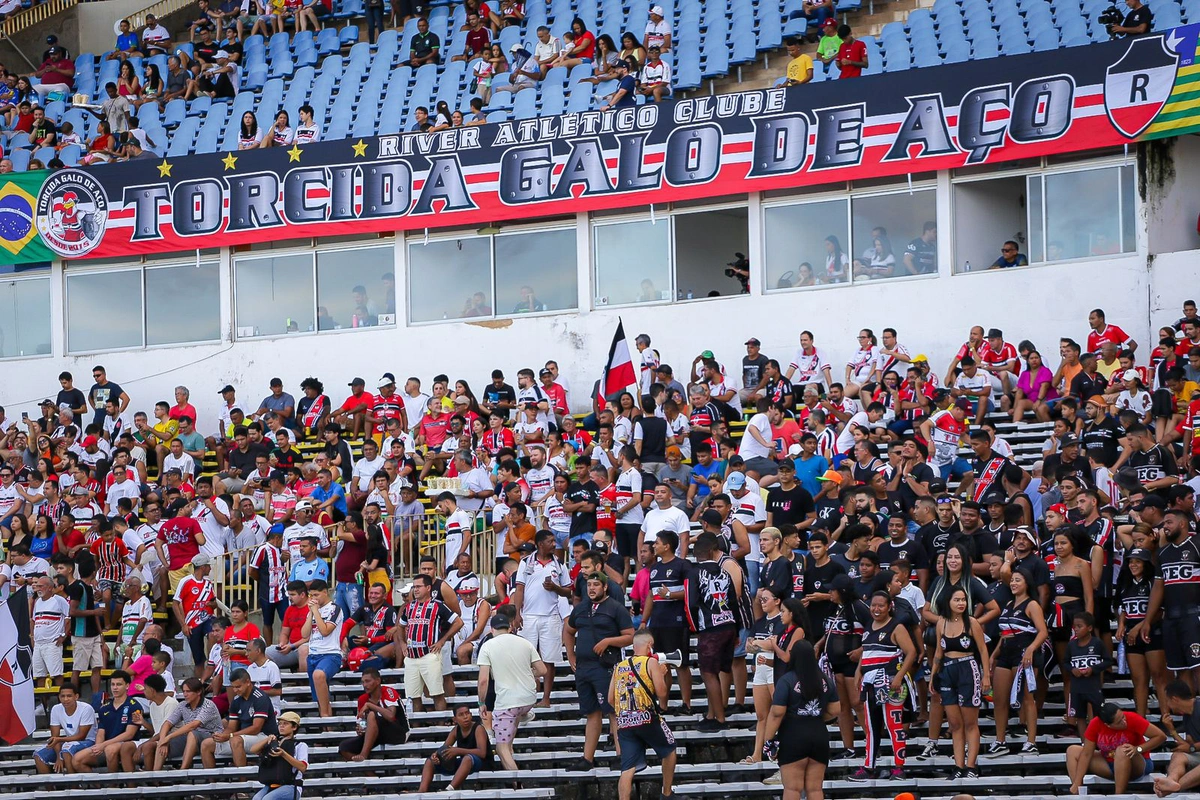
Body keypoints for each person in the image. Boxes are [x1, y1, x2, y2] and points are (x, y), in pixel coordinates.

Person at [564, 571, 635, 771]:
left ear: (605, 587)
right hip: (584, 667)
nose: (592, 588)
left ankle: (622, 755)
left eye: (596, 584)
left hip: (604, 667)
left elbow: (630, 636)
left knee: (612, 711)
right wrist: (570, 655)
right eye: (589, 585)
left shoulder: (615, 608)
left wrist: (608, 641)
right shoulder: (581, 608)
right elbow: (569, 630)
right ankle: (587, 758)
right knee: (591, 712)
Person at [851, 591, 917, 781]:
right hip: (870, 682)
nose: (876, 609)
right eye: (873, 605)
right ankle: (868, 766)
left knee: (894, 724)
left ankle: (899, 767)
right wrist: (858, 671)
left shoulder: (897, 627)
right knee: (871, 726)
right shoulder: (868, 626)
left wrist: (899, 676)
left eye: (881, 605)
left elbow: (911, 652)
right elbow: (866, 652)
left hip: (891, 682)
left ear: (889, 607)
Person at [761, 639, 839, 800]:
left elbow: (777, 712)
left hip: (793, 735)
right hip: (819, 734)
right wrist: (814, 715)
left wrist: (768, 740)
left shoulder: (787, 680)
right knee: (815, 789)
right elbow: (835, 710)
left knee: (792, 789)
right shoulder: (826, 680)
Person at [929, 586, 991, 778]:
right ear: (948, 601)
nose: (961, 603)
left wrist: (986, 676)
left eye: (964, 600)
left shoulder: (972, 622)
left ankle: (971, 766)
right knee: (955, 723)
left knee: (970, 722)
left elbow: (982, 650)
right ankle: (958, 765)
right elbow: (939, 652)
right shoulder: (941, 623)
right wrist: (933, 676)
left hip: (967, 668)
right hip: (947, 669)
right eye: (957, 599)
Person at [610, 630, 677, 800]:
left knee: (627, 769)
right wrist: (662, 675)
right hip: (647, 718)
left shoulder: (619, 667)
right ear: (649, 646)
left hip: (624, 721)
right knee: (669, 749)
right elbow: (661, 692)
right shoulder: (650, 663)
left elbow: (611, 699)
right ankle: (667, 794)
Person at [476, 614, 546, 771]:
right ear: (509, 628)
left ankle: (518, 785)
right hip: (528, 699)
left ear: (491, 629)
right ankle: (523, 716)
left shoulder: (488, 645)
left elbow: (483, 681)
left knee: (501, 749)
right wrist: (525, 674)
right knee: (509, 741)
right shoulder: (525, 643)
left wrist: (481, 703)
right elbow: (542, 670)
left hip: (507, 703)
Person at [512, 529, 570, 706]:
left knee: (549, 659)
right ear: (540, 544)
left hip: (551, 616)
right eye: (550, 541)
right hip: (529, 616)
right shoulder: (525, 562)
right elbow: (519, 589)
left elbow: (568, 591)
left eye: (554, 541)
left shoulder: (560, 564)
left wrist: (555, 588)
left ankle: (546, 698)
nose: (554, 544)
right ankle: (527, 697)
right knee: (524, 658)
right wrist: (517, 614)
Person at [1068, 702, 1167, 794]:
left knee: (1122, 750)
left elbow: (1160, 736)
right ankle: (1077, 790)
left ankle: (1118, 795)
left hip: (1138, 764)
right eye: (1119, 722)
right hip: (1109, 764)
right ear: (1108, 725)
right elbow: (1086, 754)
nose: (1124, 722)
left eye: (1123, 717)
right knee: (1072, 750)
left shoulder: (1132, 718)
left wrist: (1138, 749)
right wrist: (1077, 781)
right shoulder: (1095, 724)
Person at [398, 573, 462, 712]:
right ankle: (417, 730)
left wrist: (442, 641)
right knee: (413, 696)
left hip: (429, 654)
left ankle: (440, 728)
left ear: (428, 588)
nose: (415, 590)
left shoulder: (437, 605)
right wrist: (403, 644)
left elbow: (458, 622)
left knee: (437, 694)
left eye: (418, 587)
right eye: (414, 587)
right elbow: (400, 626)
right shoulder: (409, 607)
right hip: (412, 656)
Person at [201, 667, 279, 768]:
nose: (235, 690)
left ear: (247, 682)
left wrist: (230, 736)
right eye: (233, 687)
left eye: (238, 687)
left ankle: (243, 781)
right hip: (243, 737)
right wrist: (222, 736)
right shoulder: (236, 700)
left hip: (265, 736)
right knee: (206, 744)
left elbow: (256, 728)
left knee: (235, 740)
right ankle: (211, 781)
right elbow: (231, 727)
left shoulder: (260, 697)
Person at [338, 667, 410, 761]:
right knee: (344, 747)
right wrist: (361, 728)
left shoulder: (389, 691)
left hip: (399, 732)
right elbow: (361, 721)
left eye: (368, 681)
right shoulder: (362, 699)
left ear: (377, 681)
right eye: (363, 682)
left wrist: (371, 706)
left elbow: (391, 716)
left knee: (372, 715)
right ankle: (371, 775)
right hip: (376, 733)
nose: (364, 685)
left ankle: (364, 754)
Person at [418, 704, 491, 791]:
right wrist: (436, 755)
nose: (465, 717)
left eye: (467, 713)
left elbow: (482, 753)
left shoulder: (478, 728)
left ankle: (449, 789)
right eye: (461, 715)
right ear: (455, 719)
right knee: (429, 761)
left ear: (471, 715)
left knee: (467, 758)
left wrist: (458, 751)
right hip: (465, 764)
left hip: (482, 763)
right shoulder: (456, 730)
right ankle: (422, 790)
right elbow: (444, 748)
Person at [33, 683, 95, 774]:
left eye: (69, 696)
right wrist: (59, 757)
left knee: (67, 749)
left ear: (76, 696)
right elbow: (55, 737)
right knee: (38, 754)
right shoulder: (56, 709)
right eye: (63, 696)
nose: (65, 699)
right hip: (69, 742)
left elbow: (81, 736)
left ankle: (74, 786)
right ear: (59, 697)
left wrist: (59, 741)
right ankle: (50, 788)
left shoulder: (86, 708)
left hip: (89, 741)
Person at [248, 710, 308, 800]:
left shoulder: (300, 745)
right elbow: (253, 750)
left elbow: (303, 767)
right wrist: (267, 739)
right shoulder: (274, 742)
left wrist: (284, 754)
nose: (281, 726)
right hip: (271, 785)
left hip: (291, 786)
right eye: (280, 724)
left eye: (285, 724)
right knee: (256, 798)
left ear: (294, 727)